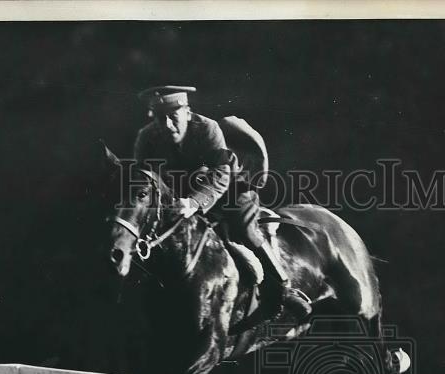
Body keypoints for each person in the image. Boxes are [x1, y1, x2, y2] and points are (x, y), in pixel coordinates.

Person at [133, 85, 312, 321]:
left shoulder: (208, 129)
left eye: (173, 117)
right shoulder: (146, 137)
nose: (167, 125)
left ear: (187, 112)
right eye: (159, 118)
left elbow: (220, 174)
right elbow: (142, 180)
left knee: (245, 231)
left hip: (230, 190)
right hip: (179, 196)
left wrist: (194, 203)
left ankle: (283, 288)